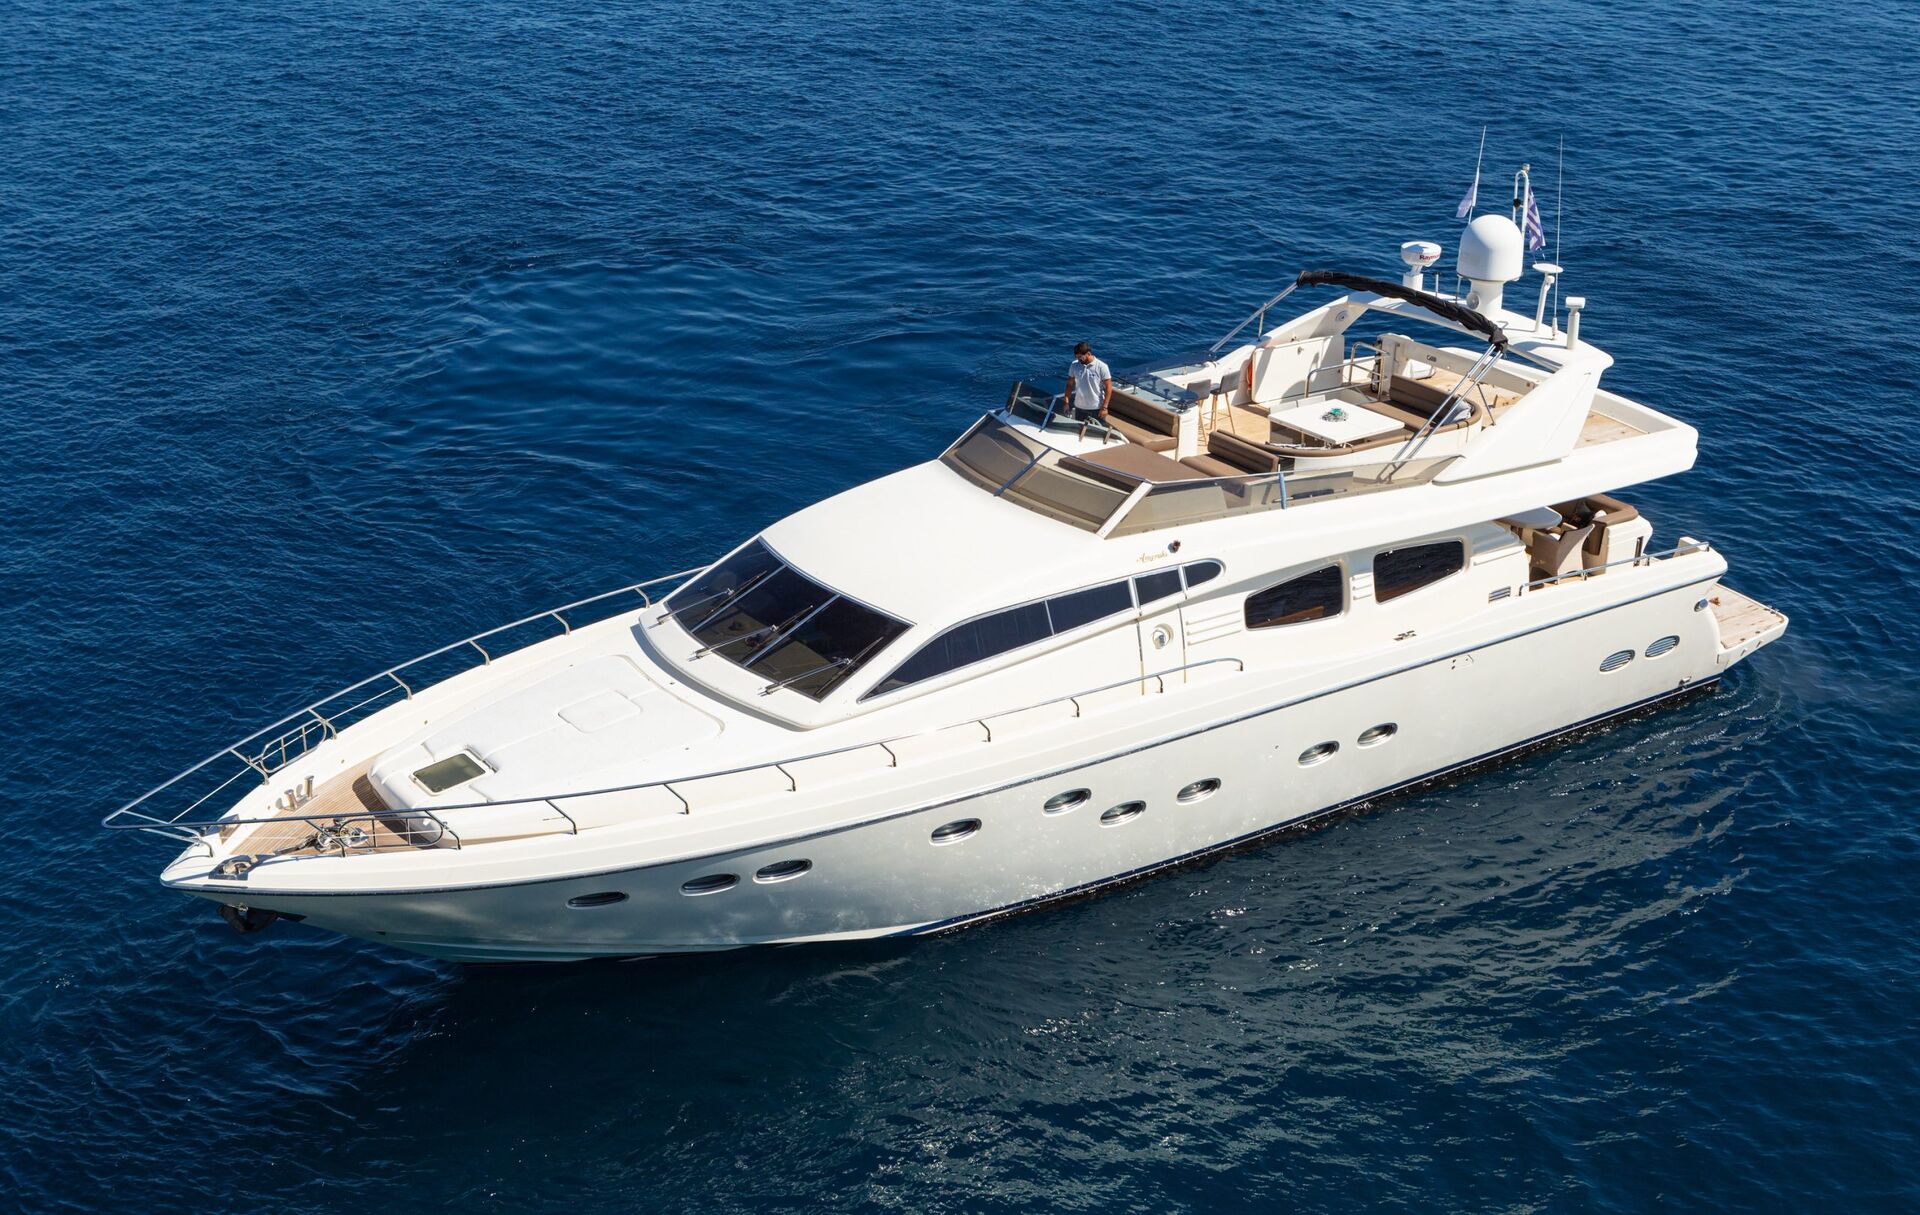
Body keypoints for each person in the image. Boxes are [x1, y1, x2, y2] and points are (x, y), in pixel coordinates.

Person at [1063, 341, 1112, 425]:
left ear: (1088, 353)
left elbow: (1108, 388)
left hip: (1096, 408)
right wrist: (1066, 402)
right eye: (1076, 357)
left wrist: (1104, 407)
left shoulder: (1102, 367)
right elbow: (1069, 384)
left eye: (1080, 357)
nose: (1078, 359)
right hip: (1079, 407)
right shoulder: (1074, 365)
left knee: (1096, 434)